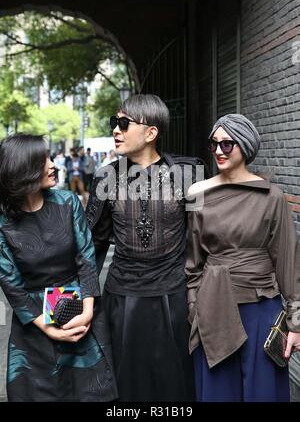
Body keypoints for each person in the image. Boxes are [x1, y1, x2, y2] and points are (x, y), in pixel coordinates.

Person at [85, 94, 209, 402]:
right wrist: (79, 302)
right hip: (122, 298)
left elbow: (202, 238)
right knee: (126, 387)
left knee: (176, 386)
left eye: (124, 124)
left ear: (151, 132)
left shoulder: (188, 173)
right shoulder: (106, 178)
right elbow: (92, 246)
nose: (116, 130)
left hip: (174, 298)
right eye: (115, 123)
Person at [185, 113, 300, 402]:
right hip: (213, 307)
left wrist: (296, 324)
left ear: (245, 146)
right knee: (217, 393)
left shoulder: (271, 196)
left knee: (264, 393)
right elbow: (193, 261)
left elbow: (288, 262)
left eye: (227, 144)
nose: (219, 151)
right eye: (214, 144)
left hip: (261, 309)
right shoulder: (197, 193)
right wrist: (194, 308)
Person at [0, 134, 117, 402]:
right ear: (23, 168)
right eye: (45, 160)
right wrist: (50, 329)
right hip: (34, 327)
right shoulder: (3, 223)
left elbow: (86, 258)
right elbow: (11, 284)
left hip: (80, 314)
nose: (54, 165)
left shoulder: (68, 203)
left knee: (90, 393)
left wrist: (86, 313)